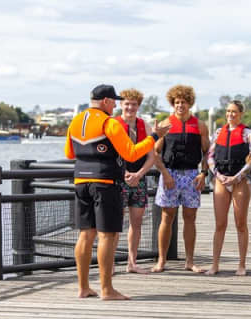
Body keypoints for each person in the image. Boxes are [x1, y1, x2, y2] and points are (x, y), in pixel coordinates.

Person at [64, 84, 170, 300]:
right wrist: (153, 137)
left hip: (80, 181)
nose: (115, 105)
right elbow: (130, 154)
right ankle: (107, 289)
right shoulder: (108, 122)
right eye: (114, 101)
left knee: (85, 234)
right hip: (105, 182)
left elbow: (69, 153)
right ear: (105, 101)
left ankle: (83, 287)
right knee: (107, 235)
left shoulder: (75, 121)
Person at [151, 84, 210, 273]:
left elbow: (207, 152)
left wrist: (203, 173)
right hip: (170, 174)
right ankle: (161, 260)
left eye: (183, 102)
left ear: (189, 103)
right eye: (176, 102)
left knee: (190, 218)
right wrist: (165, 174)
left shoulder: (200, 125)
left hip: (192, 175)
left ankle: (190, 261)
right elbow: (154, 152)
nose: (180, 106)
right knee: (166, 217)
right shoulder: (165, 125)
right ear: (172, 103)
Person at [206, 100, 251, 276]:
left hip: (239, 180)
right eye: (228, 111)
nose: (230, 114)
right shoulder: (218, 132)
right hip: (221, 179)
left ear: (241, 113)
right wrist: (219, 175)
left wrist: (237, 177)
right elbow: (210, 157)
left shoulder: (248, 134)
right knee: (220, 224)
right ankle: (215, 264)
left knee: (241, 224)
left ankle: (241, 264)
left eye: (234, 111)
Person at [114, 89, 155, 274]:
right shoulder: (113, 124)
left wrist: (139, 174)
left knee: (136, 222)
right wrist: (123, 174)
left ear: (138, 106)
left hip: (139, 179)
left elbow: (151, 156)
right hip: (118, 179)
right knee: (114, 223)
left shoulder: (144, 126)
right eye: (127, 104)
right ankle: (110, 262)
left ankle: (132, 261)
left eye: (134, 104)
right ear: (121, 105)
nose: (130, 107)